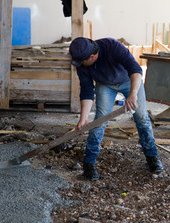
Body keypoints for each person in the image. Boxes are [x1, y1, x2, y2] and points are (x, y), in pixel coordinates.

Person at [69, 37, 164, 181]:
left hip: (129, 81)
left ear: (92, 56)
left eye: (82, 61)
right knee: (99, 122)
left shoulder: (112, 46)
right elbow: (87, 90)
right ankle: (89, 163)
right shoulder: (82, 61)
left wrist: (132, 95)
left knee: (141, 118)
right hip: (105, 84)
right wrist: (83, 119)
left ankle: (152, 156)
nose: (80, 64)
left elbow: (136, 70)